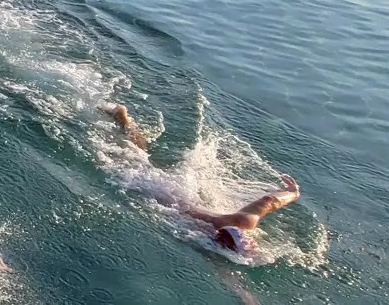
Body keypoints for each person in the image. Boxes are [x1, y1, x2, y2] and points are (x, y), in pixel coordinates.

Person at [104, 104, 301, 255]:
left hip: (179, 191)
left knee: (143, 159)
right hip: (163, 196)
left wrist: (292, 193)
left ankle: (125, 123)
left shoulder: (241, 221)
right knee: (134, 162)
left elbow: (269, 201)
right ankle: (123, 124)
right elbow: (226, 273)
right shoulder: (208, 234)